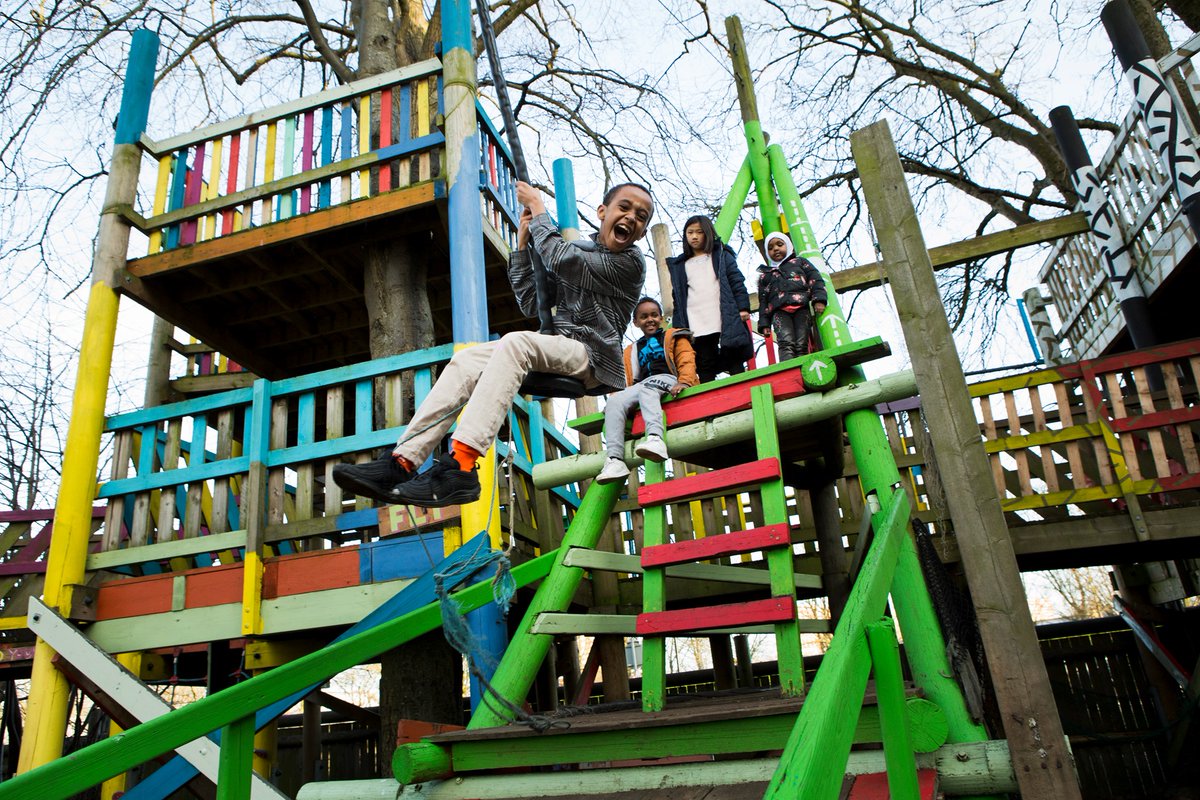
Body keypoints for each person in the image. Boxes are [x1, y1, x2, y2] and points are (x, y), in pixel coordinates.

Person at [333, 180, 653, 507]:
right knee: (467, 360)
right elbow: (531, 302)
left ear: (641, 232)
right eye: (624, 207)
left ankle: (461, 463)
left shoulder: (629, 262)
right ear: (603, 212)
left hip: (594, 357)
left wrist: (539, 209)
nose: (631, 217)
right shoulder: (581, 253)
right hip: (562, 347)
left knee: (515, 344)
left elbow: (561, 258)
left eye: (641, 216)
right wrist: (523, 245)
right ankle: (402, 461)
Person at [596, 297, 698, 484]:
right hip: (642, 384)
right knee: (614, 402)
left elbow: (685, 359)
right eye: (644, 317)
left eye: (654, 315)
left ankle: (655, 438)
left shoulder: (673, 336)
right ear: (636, 322)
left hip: (668, 378)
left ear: (661, 318)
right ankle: (615, 459)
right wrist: (617, 397)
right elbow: (626, 377)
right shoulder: (632, 349)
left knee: (648, 390)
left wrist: (684, 382)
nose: (649, 319)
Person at [665, 215, 753, 383]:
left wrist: (743, 307)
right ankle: (711, 397)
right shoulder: (680, 265)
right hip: (696, 318)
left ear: (708, 233)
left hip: (721, 314)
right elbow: (678, 299)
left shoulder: (720, 255)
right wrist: (679, 328)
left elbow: (736, 280)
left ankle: (743, 390)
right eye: (690, 232)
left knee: (733, 356)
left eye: (699, 232)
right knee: (704, 361)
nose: (694, 236)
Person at [756, 232, 828, 361]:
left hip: (801, 307)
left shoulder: (800, 262)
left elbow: (815, 279)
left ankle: (803, 367)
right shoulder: (766, 275)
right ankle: (789, 369)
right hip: (779, 312)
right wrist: (764, 324)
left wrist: (819, 299)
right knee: (785, 342)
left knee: (801, 343)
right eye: (770, 248)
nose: (776, 249)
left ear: (788, 246)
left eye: (780, 244)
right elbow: (763, 301)